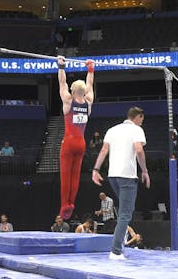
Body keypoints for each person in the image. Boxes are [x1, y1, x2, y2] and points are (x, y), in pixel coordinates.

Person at [92, 106, 150, 260]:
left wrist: (96, 170)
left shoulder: (112, 130)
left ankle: (119, 245)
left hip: (113, 176)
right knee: (125, 214)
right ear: (137, 117)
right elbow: (139, 150)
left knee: (126, 211)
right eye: (142, 119)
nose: (142, 123)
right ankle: (116, 251)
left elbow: (104, 150)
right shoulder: (136, 130)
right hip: (127, 176)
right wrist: (144, 171)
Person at [57, 55, 95, 220]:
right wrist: (90, 69)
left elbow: (61, 83)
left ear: (72, 91)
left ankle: (65, 204)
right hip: (81, 143)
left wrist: (61, 66)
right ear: (84, 91)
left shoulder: (68, 101)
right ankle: (72, 202)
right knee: (76, 174)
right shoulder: (89, 102)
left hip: (69, 142)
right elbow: (91, 83)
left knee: (66, 174)